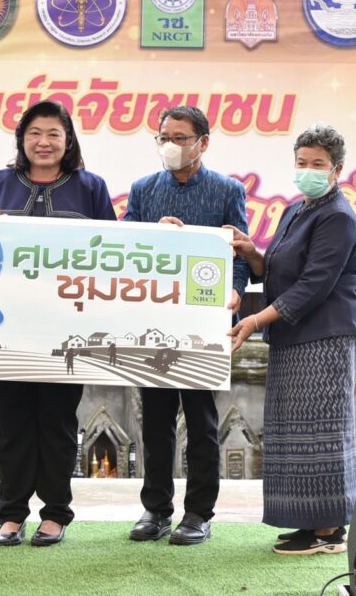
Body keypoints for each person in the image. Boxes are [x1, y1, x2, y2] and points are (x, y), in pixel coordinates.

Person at [0, 100, 117, 546]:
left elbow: (117, 249)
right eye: (34, 133)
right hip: (3, 330)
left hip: (67, 331)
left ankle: (55, 514)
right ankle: (11, 514)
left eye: (54, 133)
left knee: (57, 424)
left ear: (68, 140)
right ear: (21, 139)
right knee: (11, 424)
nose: (44, 142)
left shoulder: (91, 187)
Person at [227, 123, 356, 555]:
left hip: (326, 337)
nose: (308, 170)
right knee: (294, 432)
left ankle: (329, 530)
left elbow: (312, 286)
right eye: (302, 162)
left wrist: (253, 321)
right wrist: (252, 253)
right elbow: (278, 270)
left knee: (322, 431)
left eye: (318, 164)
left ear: (337, 170)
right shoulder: (296, 210)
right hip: (295, 335)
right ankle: (310, 522)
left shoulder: (338, 217)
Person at [123, 105, 249, 545]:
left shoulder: (227, 190)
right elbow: (123, 246)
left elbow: (238, 252)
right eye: (164, 138)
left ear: (203, 143)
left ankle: (198, 513)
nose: (170, 146)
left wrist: (236, 290)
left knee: (201, 421)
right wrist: (151, 233)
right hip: (154, 321)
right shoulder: (143, 190)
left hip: (204, 324)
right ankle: (156, 509)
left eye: (180, 138)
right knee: (155, 421)